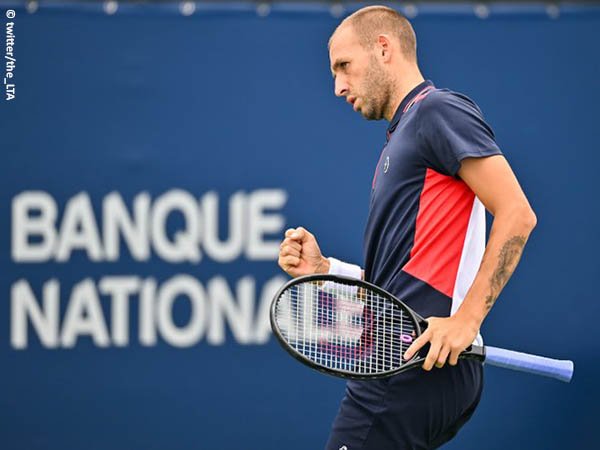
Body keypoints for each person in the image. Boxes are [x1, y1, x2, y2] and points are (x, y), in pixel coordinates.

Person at [278, 5, 537, 450]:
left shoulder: (437, 112)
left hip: (411, 368)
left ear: (383, 49)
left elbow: (517, 213)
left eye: (344, 66)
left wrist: (465, 321)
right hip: (412, 364)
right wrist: (326, 267)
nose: (338, 86)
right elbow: (402, 279)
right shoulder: (403, 137)